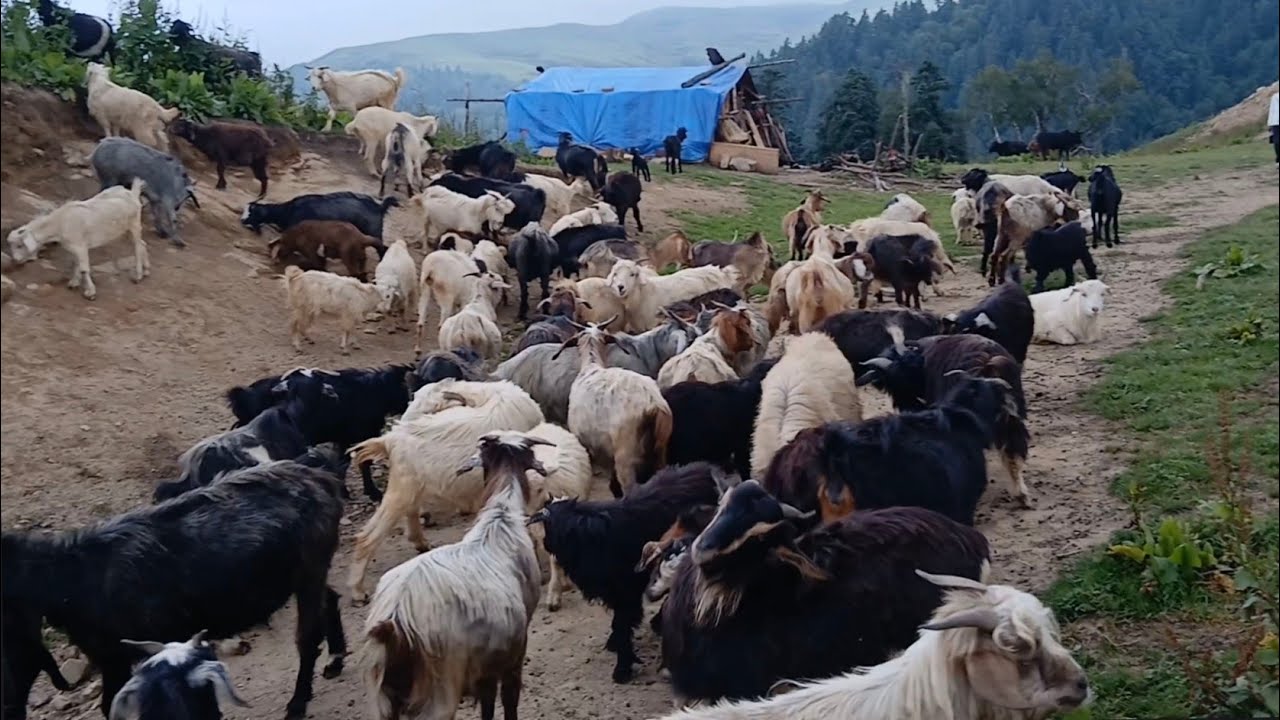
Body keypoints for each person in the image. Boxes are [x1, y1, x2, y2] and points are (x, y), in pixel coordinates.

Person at [1268, 92, 1278, 166]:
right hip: (1276, 122)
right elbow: (1272, 111)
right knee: (1277, 142)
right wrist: (1270, 123)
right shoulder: (1275, 97)